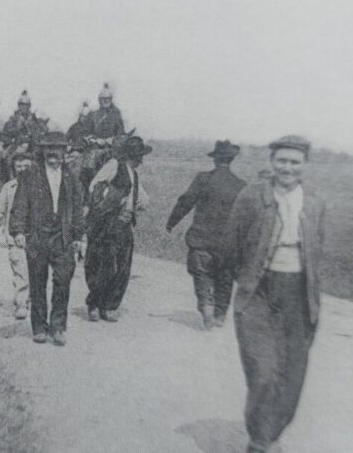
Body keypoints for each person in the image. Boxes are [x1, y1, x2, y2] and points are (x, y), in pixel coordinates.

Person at [224, 135, 326, 453]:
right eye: (281, 160)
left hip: (298, 295)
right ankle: (258, 438)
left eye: (294, 162)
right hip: (259, 293)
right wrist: (245, 276)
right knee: (263, 371)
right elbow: (232, 242)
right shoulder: (253, 196)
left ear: (304, 165)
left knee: (292, 373)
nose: (287, 168)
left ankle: (271, 433)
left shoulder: (315, 202)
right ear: (272, 162)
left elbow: (317, 249)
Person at [9, 131, 84, 346]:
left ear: (64, 151)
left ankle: (58, 326)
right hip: (37, 235)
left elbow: (77, 209)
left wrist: (78, 235)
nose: (54, 153)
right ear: (43, 151)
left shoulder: (71, 178)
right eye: (49, 149)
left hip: (62, 236)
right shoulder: (30, 175)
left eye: (58, 149)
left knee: (63, 280)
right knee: (37, 281)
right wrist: (19, 231)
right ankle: (39, 327)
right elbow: (20, 204)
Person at [165, 140, 247, 329]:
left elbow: (186, 201)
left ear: (215, 160)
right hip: (228, 245)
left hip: (202, 240)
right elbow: (246, 218)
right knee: (225, 278)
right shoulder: (241, 185)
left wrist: (172, 221)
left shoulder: (203, 179)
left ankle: (206, 305)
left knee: (201, 274)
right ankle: (219, 314)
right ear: (231, 160)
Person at [84, 136, 151, 322]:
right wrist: (112, 200)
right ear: (135, 156)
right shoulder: (114, 165)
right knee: (102, 265)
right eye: (140, 155)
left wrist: (133, 206)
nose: (141, 160)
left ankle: (110, 305)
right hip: (107, 224)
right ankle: (95, 304)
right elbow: (94, 186)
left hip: (124, 224)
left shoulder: (133, 174)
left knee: (122, 267)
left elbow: (143, 200)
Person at [0, 151, 34, 320]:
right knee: (20, 270)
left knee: (36, 271)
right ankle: (22, 303)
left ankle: (33, 299)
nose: (22, 169)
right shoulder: (9, 187)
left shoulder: (40, 186)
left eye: (26, 166)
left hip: (37, 238)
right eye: (19, 166)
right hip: (15, 238)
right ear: (14, 169)